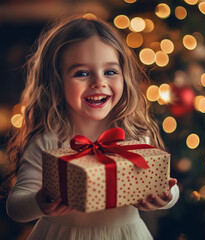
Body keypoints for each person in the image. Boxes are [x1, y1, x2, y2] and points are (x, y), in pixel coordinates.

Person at [6, 16, 179, 240]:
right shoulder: (49, 140)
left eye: (110, 72)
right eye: (82, 73)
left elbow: (165, 185)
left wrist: (166, 197)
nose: (99, 82)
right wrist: (40, 202)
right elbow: (15, 206)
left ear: (124, 77)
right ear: (56, 81)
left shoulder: (134, 134)